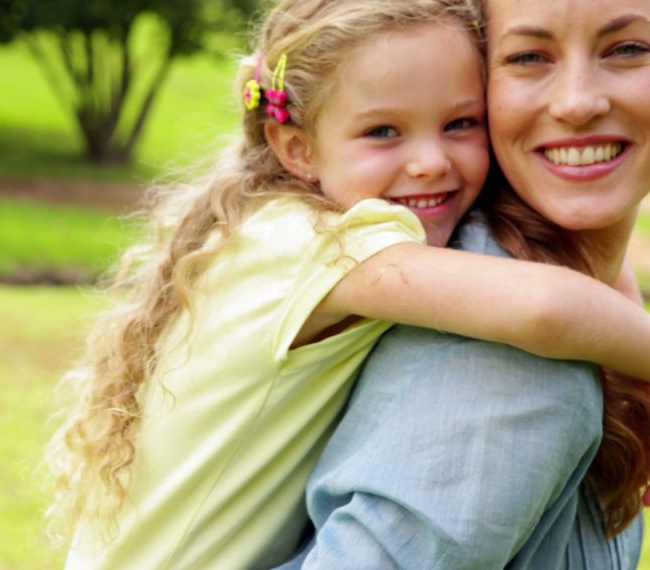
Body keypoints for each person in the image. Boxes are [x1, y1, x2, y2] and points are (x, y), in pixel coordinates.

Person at [44, 0, 650, 568]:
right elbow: (544, 309)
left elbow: (582, 279)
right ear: (297, 148)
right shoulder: (312, 244)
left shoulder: (291, 229)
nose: (429, 163)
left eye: (459, 123)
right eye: (383, 131)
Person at [282, 0, 650, 567]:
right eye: (529, 56)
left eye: (629, 48)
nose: (579, 102)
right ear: (480, 81)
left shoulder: (596, 290)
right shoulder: (507, 362)